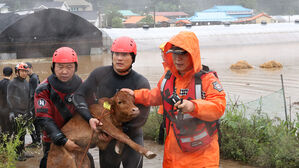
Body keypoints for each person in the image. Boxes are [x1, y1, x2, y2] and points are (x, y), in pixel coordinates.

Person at [122, 31, 226, 168]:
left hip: (202, 156)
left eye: (183, 54)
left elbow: (218, 107)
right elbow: (156, 95)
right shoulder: (169, 77)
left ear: (193, 54)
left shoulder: (207, 80)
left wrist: (193, 106)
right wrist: (135, 95)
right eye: (175, 54)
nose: (178, 59)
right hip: (173, 152)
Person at [73, 36, 151, 168]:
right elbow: (78, 96)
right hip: (106, 139)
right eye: (116, 54)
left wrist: (117, 132)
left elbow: (142, 117)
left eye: (124, 54)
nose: (119, 58)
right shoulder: (100, 74)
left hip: (132, 137)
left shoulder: (141, 82)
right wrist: (89, 118)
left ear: (133, 57)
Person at [34, 47, 100, 168]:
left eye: (69, 67)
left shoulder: (83, 86)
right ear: (53, 67)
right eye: (60, 67)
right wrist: (63, 140)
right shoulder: (43, 89)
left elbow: (93, 109)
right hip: (53, 139)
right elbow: (44, 118)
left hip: (78, 138)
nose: (64, 71)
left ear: (75, 67)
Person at [7, 63, 32, 161]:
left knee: (23, 133)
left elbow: (29, 97)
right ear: (17, 72)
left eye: (26, 71)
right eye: (22, 71)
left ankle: (22, 152)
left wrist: (30, 110)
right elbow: (9, 98)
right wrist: (11, 111)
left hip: (25, 111)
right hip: (16, 111)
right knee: (17, 133)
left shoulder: (26, 82)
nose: (24, 73)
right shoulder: (12, 83)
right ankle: (17, 154)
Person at [25, 62, 42, 148]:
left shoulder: (33, 79)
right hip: (36, 104)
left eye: (27, 70)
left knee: (29, 123)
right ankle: (38, 141)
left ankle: (35, 141)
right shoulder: (35, 77)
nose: (26, 72)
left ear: (31, 68)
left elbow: (32, 94)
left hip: (33, 105)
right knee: (36, 123)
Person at [0, 67, 13, 136]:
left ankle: (2, 144)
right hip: (9, 110)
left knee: (3, 128)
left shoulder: (0, 83)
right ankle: (8, 144)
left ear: (2, 74)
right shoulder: (12, 84)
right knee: (10, 129)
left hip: (1, 109)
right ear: (12, 74)